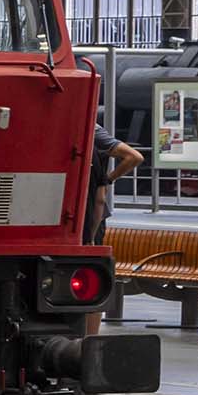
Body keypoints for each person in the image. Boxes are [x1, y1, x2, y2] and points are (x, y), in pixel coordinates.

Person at [82, 123, 144, 339]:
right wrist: (109, 179)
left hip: (66, 222)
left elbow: (134, 157)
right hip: (91, 223)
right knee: (91, 283)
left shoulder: (84, 133)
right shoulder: (96, 142)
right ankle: (89, 341)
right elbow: (100, 200)